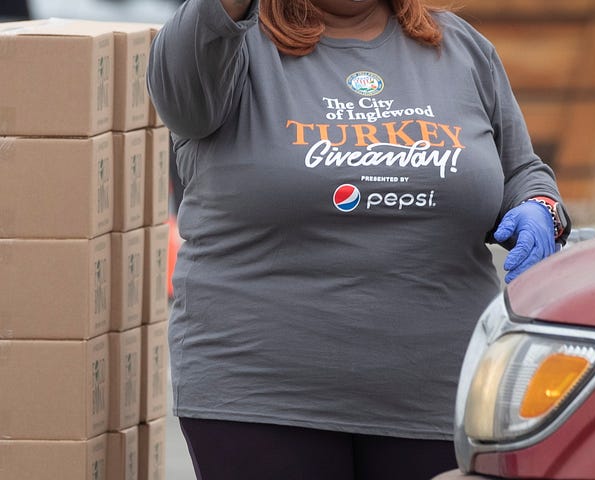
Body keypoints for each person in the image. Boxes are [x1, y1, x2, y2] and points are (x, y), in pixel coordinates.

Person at [149, 0, 568, 478]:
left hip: (442, 397)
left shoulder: (460, 48)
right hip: (261, 400)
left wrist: (538, 206)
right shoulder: (225, 47)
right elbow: (180, 96)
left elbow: (519, 170)